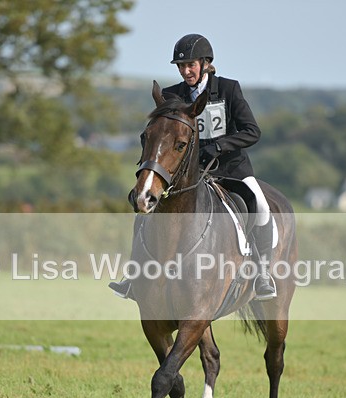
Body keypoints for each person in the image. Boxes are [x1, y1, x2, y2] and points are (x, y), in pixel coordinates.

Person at [110, 33, 277, 300]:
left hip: (230, 169)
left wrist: (220, 146)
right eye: (181, 66)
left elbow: (251, 131)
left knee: (261, 206)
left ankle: (263, 273)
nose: (185, 71)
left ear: (205, 63)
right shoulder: (171, 95)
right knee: (146, 207)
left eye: (190, 65)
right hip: (189, 172)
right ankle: (134, 273)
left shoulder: (228, 89)